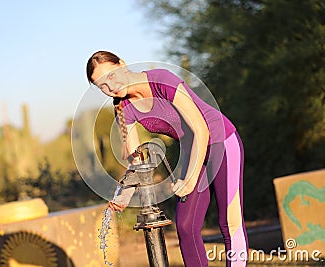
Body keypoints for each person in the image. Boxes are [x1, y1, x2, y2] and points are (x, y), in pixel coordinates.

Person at [86, 50, 248, 267]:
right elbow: (138, 160)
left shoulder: (162, 79)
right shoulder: (124, 108)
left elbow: (201, 128)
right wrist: (123, 193)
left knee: (229, 221)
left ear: (122, 64)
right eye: (101, 86)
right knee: (186, 226)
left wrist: (190, 179)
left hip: (222, 142)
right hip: (193, 151)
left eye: (111, 77)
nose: (110, 87)